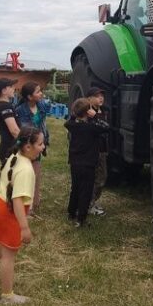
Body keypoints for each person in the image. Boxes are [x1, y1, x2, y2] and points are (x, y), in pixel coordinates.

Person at [0, 126, 44, 305]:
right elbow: (17, 200)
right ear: (28, 147)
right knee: (9, 255)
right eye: (40, 144)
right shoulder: (26, 170)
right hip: (9, 213)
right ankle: (7, 296)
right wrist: (24, 227)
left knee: (2, 243)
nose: (43, 147)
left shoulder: (13, 157)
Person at [64, 98, 109, 227]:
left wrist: (75, 115)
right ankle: (81, 218)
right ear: (87, 112)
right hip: (88, 163)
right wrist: (96, 116)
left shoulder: (72, 125)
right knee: (86, 190)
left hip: (75, 162)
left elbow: (68, 122)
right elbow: (106, 127)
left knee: (75, 187)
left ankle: (71, 212)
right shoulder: (92, 128)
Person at [15, 81, 50, 215]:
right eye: (38, 92)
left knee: (36, 174)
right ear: (29, 97)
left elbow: (43, 124)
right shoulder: (21, 110)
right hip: (28, 146)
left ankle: (35, 202)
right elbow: (26, 132)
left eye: (41, 91)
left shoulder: (41, 105)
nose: (41, 94)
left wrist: (42, 142)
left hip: (38, 145)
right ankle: (26, 206)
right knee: (26, 175)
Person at [86, 87, 109, 217]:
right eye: (97, 96)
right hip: (92, 150)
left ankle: (91, 202)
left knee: (101, 177)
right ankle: (89, 204)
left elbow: (107, 127)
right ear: (89, 98)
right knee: (97, 178)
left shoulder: (104, 111)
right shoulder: (87, 112)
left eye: (102, 95)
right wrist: (95, 117)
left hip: (103, 149)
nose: (101, 98)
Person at [0, 78, 20, 164]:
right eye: (11, 87)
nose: (14, 89)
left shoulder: (4, 105)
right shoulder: (5, 107)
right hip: (10, 148)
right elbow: (14, 131)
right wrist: (27, 142)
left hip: (10, 146)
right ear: (4, 91)